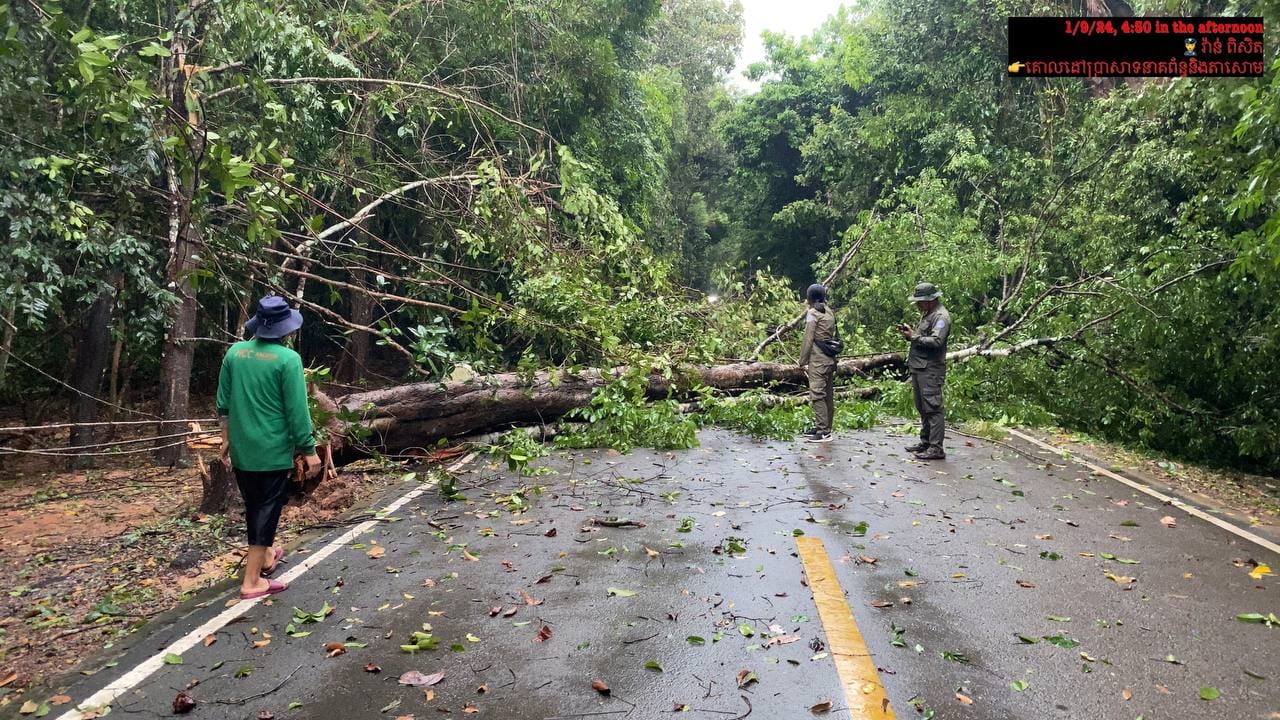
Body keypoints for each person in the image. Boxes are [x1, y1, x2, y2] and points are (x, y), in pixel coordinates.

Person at [217, 296, 320, 600]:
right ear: (285, 329)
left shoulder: (235, 353)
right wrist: (309, 449)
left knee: (254, 504)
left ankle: (263, 557)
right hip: (272, 450)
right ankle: (252, 582)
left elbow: (223, 403)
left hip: (242, 447)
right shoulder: (288, 360)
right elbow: (297, 412)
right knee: (267, 509)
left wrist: (226, 438)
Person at [898, 282, 951, 460]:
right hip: (920, 367)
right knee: (922, 407)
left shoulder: (941, 317)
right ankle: (926, 441)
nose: (918, 305)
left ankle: (936, 448)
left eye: (920, 301)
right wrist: (911, 335)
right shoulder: (928, 314)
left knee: (933, 408)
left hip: (930, 369)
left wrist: (914, 337)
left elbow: (936, 341)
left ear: (931, 300)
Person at [798, 283, 838, 443]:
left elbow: (808, 339)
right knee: (828, 394)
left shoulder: (813, 313)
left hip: (818, 360)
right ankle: (825, 427)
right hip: (829, 359)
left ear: (810, 297)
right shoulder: (829, 311)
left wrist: (802, 361)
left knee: (817, 394)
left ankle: (823, 431)